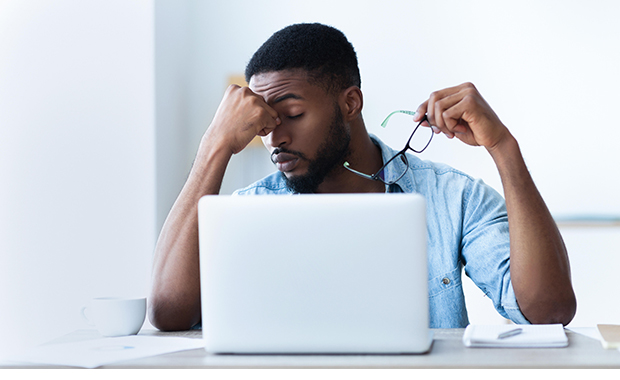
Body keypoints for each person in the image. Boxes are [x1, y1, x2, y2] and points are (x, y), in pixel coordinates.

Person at [149, 23, 576, 331]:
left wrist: (503, 147)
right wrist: (214, 147)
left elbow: (549, 310)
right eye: (263, 123)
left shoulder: (452, 197)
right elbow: (169, 314)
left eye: (292, 115)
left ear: (350, 103)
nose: (274, 136)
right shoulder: (249, 211)